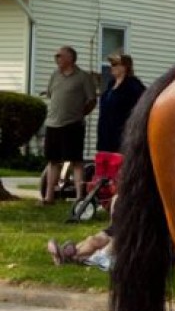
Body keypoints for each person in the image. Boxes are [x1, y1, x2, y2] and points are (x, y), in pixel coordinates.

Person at [42, 46, 96, 205]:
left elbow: (92, 100)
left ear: (70, 58)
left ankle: (80, 197)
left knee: (76, 161)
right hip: (53, 124)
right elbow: (51, 94)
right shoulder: (54, 75)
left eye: (60, 56)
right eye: (56, 56)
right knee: (53, 161)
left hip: (73, 125)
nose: (56, 58)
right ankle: (49, 197)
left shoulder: (83, 77)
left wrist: (80, 114)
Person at [97, 53, 146, 153]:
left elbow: (143, 104)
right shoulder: (111, 84)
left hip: (122, 134)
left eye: (115, 64)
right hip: (106, 135)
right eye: (111, 64)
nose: (112, 67)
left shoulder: (133, 85)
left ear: (124, 67)